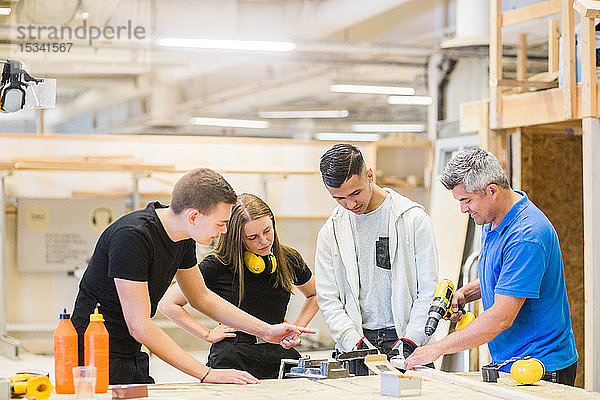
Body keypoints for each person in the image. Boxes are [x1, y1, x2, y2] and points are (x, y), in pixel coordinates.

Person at [71, 169, 314, 385]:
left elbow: (202, 297)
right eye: (221, 223)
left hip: (130, 353)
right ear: (194, 217)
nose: (225, 231)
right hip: (94, 355)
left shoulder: (182, 238)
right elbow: (140, 325)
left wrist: (266, 331)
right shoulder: (132, 237)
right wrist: (206, 373)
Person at [404, 148, 578, 386]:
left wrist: (436, 349)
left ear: (492, 191)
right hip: (511, 361)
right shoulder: (493, 217)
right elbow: (506, 276)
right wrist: (467, 293)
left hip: (540, 367)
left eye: (466, 201)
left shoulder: (526, 236)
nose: (463, 210)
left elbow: (500, 318)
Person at [159, 193, 319, 379]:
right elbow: (168, 304)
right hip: (233, 356)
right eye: (252, 237)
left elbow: (314, 295)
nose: (264, 241)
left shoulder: (288, 258)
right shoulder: (217, 264)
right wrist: (207, 334)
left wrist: (295, 329)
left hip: (278, 354)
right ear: (237, 238)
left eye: (267, 231)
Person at [315, 144, 438, 375]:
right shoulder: (330, 232)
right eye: (339, 198)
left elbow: (428, 290)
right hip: (357, 345)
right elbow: (328, 299)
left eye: (355, 193)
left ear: (370, 175)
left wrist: (411, 341)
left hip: (408, 340)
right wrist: (354, 342)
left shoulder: (412, 219)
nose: (350, 205)